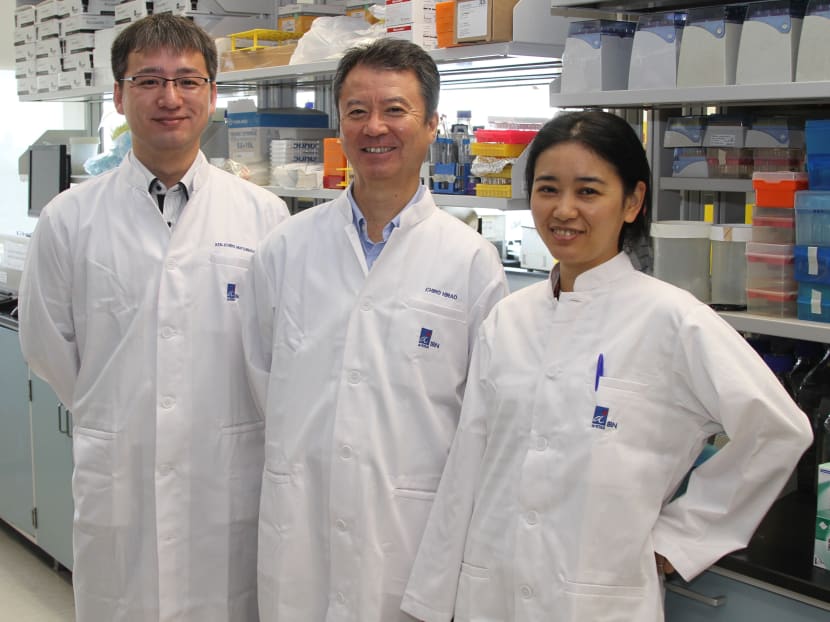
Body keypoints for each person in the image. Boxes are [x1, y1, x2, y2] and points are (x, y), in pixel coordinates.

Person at [401, 110, 813, 622]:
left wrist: (681, 540)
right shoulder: (509, 319)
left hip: (599, 596)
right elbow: (468, 468)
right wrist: (432, 600)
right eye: (548, 189)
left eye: (589, 191)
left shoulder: (673, 319)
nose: (564, 209)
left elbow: (778, 429)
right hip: (492, 592)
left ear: (633, 201)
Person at [18, 13, 289, 622]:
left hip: (226, 481)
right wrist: (118, 409)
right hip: (123, 473)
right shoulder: (69, 218)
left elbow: (276, 352)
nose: (170, 97)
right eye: (149, 80)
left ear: (213, 96)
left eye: (188, 81)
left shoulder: (264, 217)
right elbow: (46, 345)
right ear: (118, 96)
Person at [240, 38, 508, 622]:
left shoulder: (469, 261)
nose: (374, 127)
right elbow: (262, 375)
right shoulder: (287, 246)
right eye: (357, 111)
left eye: (395, 109)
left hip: (407, 534)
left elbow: (482, 418)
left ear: (432, 123)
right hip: (302, 521)